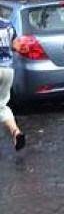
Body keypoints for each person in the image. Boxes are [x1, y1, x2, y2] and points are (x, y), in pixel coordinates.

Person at [0, 17, 25, 151]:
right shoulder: (8, 24)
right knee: (2, 105)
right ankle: (16, 132)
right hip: (8, 70)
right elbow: (16, 46)